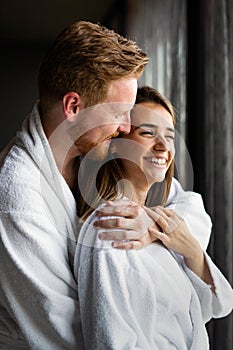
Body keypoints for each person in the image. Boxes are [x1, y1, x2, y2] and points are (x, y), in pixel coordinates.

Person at [0, 20, 211, 349]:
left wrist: (152, 225)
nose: (127, 127)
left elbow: (188, 203)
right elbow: (63, 331)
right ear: (74, 107)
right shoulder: (16, 197)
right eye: (119, 112)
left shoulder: (95, 150)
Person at [75, 86, 233, 349]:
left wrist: (193, 251)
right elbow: (112, 342)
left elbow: (203, 309)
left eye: (169, 136)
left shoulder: (158, 218)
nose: (162, 147)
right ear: (115, 146)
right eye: (147, 133)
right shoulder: (110, 228)